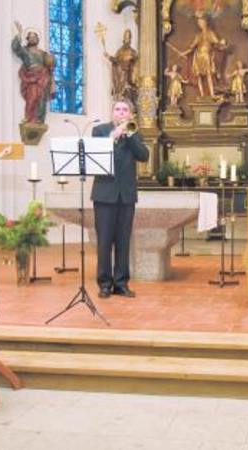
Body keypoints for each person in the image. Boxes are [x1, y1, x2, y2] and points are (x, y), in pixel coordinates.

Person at [91, 99, 150, 299]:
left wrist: (130, 134)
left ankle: (121, 283)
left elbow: (143, 155)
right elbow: (96, 154)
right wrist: (113, 137)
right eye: (118, 109)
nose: (121, 113)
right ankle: (105, 284)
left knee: (124, 241)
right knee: (104, 241)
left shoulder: (134, 132)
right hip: (104, 194)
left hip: (126, 195)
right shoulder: (100, 130)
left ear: (130, 114)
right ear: (112, 112)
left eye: (125, 110)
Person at [12, 22, 56, 124]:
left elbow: (50, 68)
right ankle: (29, 119)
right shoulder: (25, 51)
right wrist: (19, 33)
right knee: (31, 99)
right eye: (30, 37)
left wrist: (53, 84)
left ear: (37, 39)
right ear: (27, 39)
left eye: (34, 37)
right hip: (31, 77)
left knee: (41, 100)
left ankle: (40, 121)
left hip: (43, 78)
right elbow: (15, 47)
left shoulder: (43, 54)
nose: (32, 39)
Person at [182, 11, 227, 98]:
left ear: (206, 22)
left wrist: (223, 45)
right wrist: (183, 53)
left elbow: (217, 43)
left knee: (209, 74)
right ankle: (202, 94)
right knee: (198, 76)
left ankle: (212, 94)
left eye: (201, 21)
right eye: (199, 22)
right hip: (198, 56)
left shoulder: (210, 33)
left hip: (207, 56)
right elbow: (192, 47)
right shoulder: (198, 35)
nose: (200, 24)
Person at [105, 29, 139, 106]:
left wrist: (131, 58)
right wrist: (108, 56)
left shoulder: (132, 51)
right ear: (123, 39)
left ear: (130, 39)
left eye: (128, 37)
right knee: (121, 92)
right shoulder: (120, 51)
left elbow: (136, 60)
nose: (127, 39)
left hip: (129, 74)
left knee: (128, 90)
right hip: (120, 74)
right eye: (126, 37)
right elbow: (116, 60)